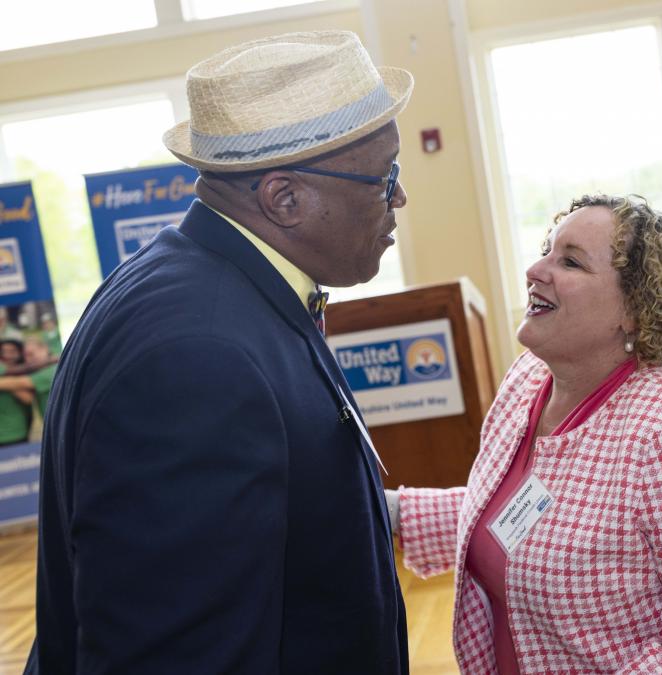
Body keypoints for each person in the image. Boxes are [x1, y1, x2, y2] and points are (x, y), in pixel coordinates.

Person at [27, 30, 414, 673]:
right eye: (383, 177)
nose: (398, 198)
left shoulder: (203, 279)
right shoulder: (199, 358)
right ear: (284, 198)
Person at [389, 195, 662, 673]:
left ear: (635, 311)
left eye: (571, 262)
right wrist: (392, 512)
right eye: (547, 250)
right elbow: (526, 514)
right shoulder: (529, 382)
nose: (537, 269)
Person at [0, 337, 57, 419]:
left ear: (44, 349)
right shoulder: (45, 368)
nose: (28, 360)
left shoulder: (52, 370)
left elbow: (21, 384)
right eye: (25, 356)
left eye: (31, 354)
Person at [0, 338, 30, 446]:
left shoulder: (24, 373)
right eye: (3, 351)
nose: (7, 355)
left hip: (15, 433)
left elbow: (27, 399)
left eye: (12, 352)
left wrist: (9, 383)